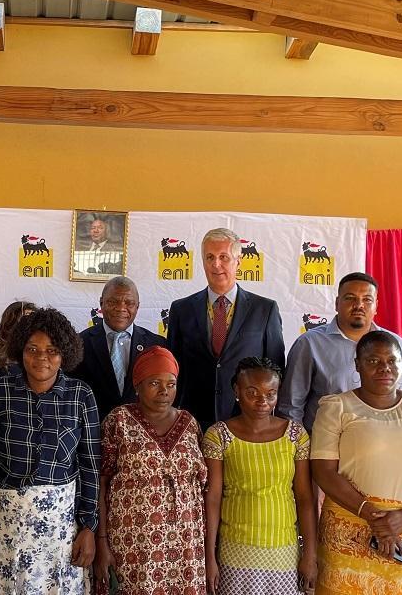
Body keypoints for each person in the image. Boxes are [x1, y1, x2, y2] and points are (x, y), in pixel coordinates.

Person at [0, 308, 100, 594]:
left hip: (61, 530)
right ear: (20, 350)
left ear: (64, 354)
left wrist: (89, 527)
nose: (42, 358)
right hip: (7, 525)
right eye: (33, 349)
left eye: (52, 350)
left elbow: (90, 466)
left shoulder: (81, 395)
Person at [311, 331, 402, 595]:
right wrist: (374, 518)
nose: (384, 368)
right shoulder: (336, 407)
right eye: (373, 361)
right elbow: (323, 471)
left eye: (392, 361)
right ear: (357, 365)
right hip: (351, 527)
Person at [95, 346, 206, 595]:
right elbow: (100, 484)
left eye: (171, 384)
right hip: (133, 543)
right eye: (154, 383)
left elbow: (202, 486)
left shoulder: (189, 423)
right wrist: (101, 541)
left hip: (186, 543)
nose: (164, 391)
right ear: (138, 385)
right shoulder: (118, 420)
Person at [202, 357, 315, 594]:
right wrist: (209, 555)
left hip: (283, 550)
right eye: (252, 392)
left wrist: (310, 555)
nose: (262, 400)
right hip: (235, 549)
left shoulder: (295, 435)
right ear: (237, 391)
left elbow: (305, 498)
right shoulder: (219, 435)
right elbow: (212, 498)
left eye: (270, 393)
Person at [167, 228, 284, 430]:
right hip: (193, 422)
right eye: (210, 257)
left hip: (247, 422)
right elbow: (173, 369)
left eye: (224, 257)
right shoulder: (181, 309)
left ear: (238, 261)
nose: (216, 264)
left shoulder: (265, 309)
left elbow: (276, 369)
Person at [278, 272, 402, 429]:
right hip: (327, 441)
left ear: (376, 306)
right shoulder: (310, 344)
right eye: (350, 298)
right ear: (337, 303)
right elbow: (291, 407)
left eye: (367, 299)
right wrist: (299, 442)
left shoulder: (397, 345)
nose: (359, 305)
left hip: (384, 438)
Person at [73, 277, 166, 419]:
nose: (121, 308)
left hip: (143, 428)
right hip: (93, 428)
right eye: (113, 302)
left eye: (129, 303)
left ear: (137, 306)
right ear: (101, 303)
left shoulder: (157, 345)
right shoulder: (79, 343)